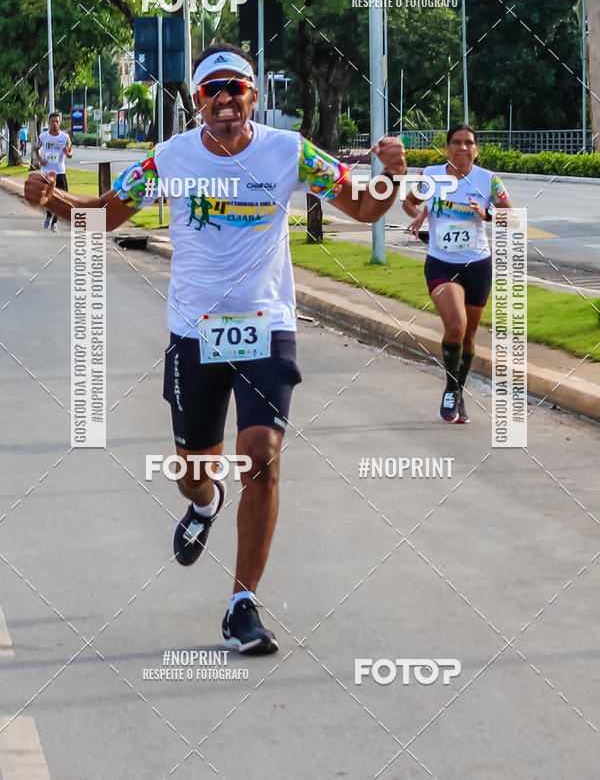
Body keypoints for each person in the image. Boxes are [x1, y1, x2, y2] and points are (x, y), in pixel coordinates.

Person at [25, 43, 407, 654]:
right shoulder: (168, 159)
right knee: (194, 473)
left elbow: (364, 207)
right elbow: (102, 217)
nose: (227, 101)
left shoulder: (290, 151)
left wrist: (391, 173)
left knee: (261, 453)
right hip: (194, 331)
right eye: (213, 92)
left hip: (267, 323)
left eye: (238, 89)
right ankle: (204, 507)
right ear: (197, 103)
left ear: (255, 96)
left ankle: (242, 603)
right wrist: (49, 201)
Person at [402, 124, 513, 424]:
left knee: (469, 335)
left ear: (477, 149)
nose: (462, 148)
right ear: (447, 147)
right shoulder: (431, 175)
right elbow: (408, 201)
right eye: (456, 143)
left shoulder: (488, 181)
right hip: (441, 262)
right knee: (456, 325)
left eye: (469, 143)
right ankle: (452, 389)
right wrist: (421, 214)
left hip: (477, 264)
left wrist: (487, 215)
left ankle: (458, 392)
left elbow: (513, 218)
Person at [33, 113, 72, 232]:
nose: (54, 124)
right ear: (49, 122)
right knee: (48, 196)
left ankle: (55, 222)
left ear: (60, 123)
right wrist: (40, 160)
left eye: (57, 121)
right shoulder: (43, 136)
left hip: (60, 171)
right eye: (52, 121)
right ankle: (49, 214)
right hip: (46, 171)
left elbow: (70, 155)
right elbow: (36, 149)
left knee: (61, 198)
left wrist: (66, 153)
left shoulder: (65, 137)